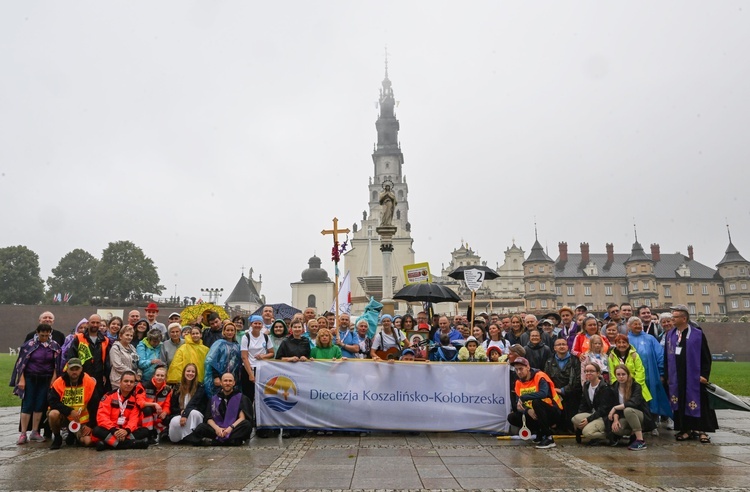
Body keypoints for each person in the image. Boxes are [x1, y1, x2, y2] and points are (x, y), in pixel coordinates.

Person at [665, 304, 718, 443]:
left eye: (675, 317)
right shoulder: (670, 335)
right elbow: (666, 356)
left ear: (684, 318)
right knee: (680, 403)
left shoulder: (697, 334)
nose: (672, 320)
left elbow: (706, 356)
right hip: (677, 377)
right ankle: (685, 429)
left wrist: (705, 375)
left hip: (694, 377)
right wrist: (667, 375)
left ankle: (701, 431)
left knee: (698, 403)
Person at [11, 323, 61, 444]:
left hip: (45, 378)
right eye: (42, 335)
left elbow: (56, 364)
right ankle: (23, 433)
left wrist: (54, 378)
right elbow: (21, 363)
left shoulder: (54, 345)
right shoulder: (29, 345)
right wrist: (21, 379)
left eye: (47, 335)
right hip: (30, 378)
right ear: (37, 333)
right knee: (28, 404)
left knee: (39, 404)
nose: (44, 337)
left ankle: (35, 431)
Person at [626, 315, 672, 433]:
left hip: (651, 375)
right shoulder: (626, 339)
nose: (638, 326)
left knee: (653, 398)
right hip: (633, 377)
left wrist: (661, 373)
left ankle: (653, 423)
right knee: (636, 399)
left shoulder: (650, 338)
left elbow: (660, 355)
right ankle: (638, 424)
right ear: (629, 326)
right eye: (635, 324)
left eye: (639, 324)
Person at [506, 357, 562, 449]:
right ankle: (539, 433)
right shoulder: (518, 383)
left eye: (521, 369)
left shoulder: (540, 376)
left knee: (536, 403)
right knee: (512, 417)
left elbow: (544, 393)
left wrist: (525, 397)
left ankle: (548, 438)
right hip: (535, 412)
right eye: (516, 370)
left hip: (553, 411)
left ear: (528, 367)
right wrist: (527, 410)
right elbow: (518, 404)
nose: (519, 372)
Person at [66, 314, 110, 426]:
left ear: (100, 324)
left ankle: (94, 427)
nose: (95, 325)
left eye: (97, 323)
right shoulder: (79, 338)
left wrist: (105, 374)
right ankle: (77, 428)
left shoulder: (105, 340)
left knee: (97, 402)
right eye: (93, 322)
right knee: (82, 403)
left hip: (99, 378)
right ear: (88, 323)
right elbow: (72, 357)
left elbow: (107, 360)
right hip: (83, 376)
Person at [186, 373, 252, 446]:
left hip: (233, 429)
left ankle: (215, 442)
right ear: (221, 383)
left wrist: (229, 429)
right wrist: (217, 429)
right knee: (201, 427)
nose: (227, 383)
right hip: (217, 429)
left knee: (246, 425)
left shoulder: (241, 398)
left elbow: (242, 418)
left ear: (234, 383)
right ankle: (231, 441)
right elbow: (209, 418)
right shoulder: (214, 399)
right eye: (225, 381)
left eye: (230, 381)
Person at [92, 371, 149, 450]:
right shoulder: (108, 396)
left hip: (125, 431)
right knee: (96, 430)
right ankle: (132, 443)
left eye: (131, 382)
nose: (128, 384)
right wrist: (114, 430)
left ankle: (108, 444)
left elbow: (134, 419)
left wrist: (126, 430)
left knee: (145, 431)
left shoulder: (135, 399)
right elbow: (102, 417)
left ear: (134, 384)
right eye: (126, 381)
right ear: (120, 382)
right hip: (111, 430)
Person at [47, 357, 97, 449]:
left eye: (77, 369)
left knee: (87, 442)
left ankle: (73, 435)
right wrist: (69, 411)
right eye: (72, 369)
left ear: (81, 369)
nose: (74, 372)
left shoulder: (89, 381)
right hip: (63, 415)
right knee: (53, 414)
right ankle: (57, 437)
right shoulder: (58, 382)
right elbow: (52, 402)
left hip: (81, 419)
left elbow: (95, 404)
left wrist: (91, 425)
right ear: (67, 369)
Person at [609, 364, 655, 450]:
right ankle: (633, 433)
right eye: (618, 375)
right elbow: (614, 405)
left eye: (623, 374)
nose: (621, 377)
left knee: (628, 410)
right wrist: (615, 420)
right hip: (625, 417)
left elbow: (634, 403)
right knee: (617, 429)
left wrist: (615, 408)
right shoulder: (613, 387)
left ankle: (640, 441)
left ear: (628, 375)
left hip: (640, 415)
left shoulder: (636, 386)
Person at [572, 362, 616, 446]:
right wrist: (578, 425)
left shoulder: (605, 388)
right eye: (586, 371)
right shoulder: (586, 385)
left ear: (598, 373)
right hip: (592, 413)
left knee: (587, 433)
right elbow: (583, 404)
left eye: (591, 371)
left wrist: (588, 419)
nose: (588, 373)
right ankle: (593, 430)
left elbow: (603, 410)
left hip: (603, 417)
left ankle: (608, 435)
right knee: (575, 419)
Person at [544, 338, 582, 434]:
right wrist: (554, 390)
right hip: (555, 393)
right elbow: (546, 378)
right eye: (559, 344)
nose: (561, 346)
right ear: (554, 348)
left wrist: (563, 390)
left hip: (572, 393)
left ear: (567, 346)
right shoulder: (549, 362)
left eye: (564, 344)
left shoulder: (575, 360)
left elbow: (577, 379)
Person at [168, 363, 207, 443]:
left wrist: (185, 413)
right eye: (188, 371)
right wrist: (181, 412)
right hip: (180, 415)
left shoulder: (200, 387)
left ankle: (193, 436)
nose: (190, 373)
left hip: (194, 414)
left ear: (196, 374)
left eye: (193, 372)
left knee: (194, 413)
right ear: (184, 372)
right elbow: (173, 407)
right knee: (174, 421)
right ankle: (179, 438)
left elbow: (194, 403)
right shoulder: (177, 388)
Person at [607, 334, 652, 403]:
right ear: (615, 344)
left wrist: (634, 386)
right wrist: (618, 386)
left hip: (635, 386)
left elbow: (640, 371)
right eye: (619, 342)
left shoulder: (634, 355)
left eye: (624, 342)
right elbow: (612, 374)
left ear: (628, 344)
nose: (621, 345)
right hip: (620, 387)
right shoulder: (611, 357)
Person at [204, 322, 241, 396]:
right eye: (227, 330)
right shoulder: (219, 344)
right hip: (219, 378)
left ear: (235, 332)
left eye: (232, 330)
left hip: (233, 379)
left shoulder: (237, 345)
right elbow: (211, 361)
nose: (230, 332)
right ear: (224, 331)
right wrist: (216, 376)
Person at [240, 315, 274, 398]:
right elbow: (244, 357)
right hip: (249, 368)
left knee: (262, 395)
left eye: (260, 323)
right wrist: (250, 374)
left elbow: (272, 353)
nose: (257, 325)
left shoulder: (266, 337)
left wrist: (264, 356)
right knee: (248, 395)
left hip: (261, 369)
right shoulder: (246, 337)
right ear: (251, 324)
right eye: (255, 323)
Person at [137, 365, 172, 443]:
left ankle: (161, 433)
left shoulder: (168, 389)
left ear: (165, 377)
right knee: (147, 409)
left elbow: (167, 405)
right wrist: (154, 404)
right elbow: (140, 402)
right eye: (158, 375)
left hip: (158, 416)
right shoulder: (143, 386)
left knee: (167, 417)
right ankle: (149, 434)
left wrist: (165, 412)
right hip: (144, 416)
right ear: (154, 375)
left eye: (162, 376)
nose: (159, 377)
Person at [109, 325, 140, 389]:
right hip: (118, 381)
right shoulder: (115, 348)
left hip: (132, 381)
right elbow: (118, 365)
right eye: (127, 335)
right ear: (120, 336)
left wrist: (139, 373)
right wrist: (133, 373)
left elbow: (136, 361)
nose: (129, 337)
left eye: (131, 336)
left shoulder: (132, 347)